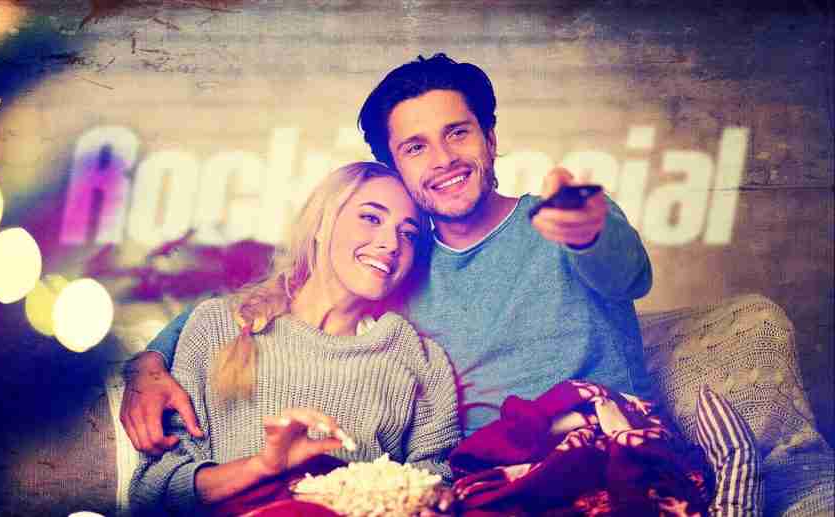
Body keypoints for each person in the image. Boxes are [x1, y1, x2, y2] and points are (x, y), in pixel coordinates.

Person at [122, 52, 651, 451]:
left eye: (458, 133)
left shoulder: (564, 219)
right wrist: (146, 366)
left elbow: (628, 275)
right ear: (396, 167)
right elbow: (256, 299)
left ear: (489, 139)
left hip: (602, 451)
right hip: (481, 481)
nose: (444, 159)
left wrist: (584, 230)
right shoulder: (396, 259)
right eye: (416, 147)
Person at [126, 162, 461, 514]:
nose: (391, 244)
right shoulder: (218, 326)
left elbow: (436, 483)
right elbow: (155, 488)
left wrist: (433, 501)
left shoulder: (421, 360)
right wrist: (264, 467)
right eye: (371, 218)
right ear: (320, 225)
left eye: (408, 233)